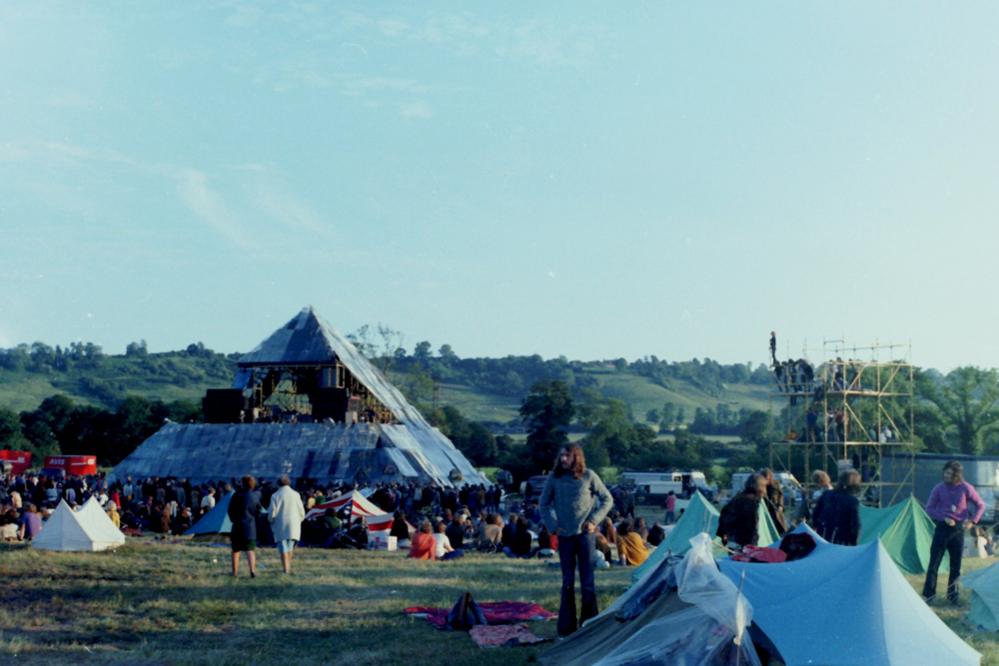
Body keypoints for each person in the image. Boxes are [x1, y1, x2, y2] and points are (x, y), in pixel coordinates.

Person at [539, 444, 614, 637]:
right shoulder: (554, 478)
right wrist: (553, 526)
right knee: (568, 582)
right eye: (561, 455)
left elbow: (607, 499)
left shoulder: (589, 476)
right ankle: (567, 628)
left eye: (567, 455)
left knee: (587, 582)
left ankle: (589, 625)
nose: (563, 459)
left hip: (585, 536)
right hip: (565, 537)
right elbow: (543, 504)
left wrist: (594, 521)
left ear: (576, 457)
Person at [922, 461, 985, 604]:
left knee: (955, 566)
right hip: (942, 529)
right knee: (934, 564)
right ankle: (929, 595)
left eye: (949, 473)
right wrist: (943, 518)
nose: (946, 475)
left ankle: (953, 596)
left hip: (958, 531)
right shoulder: (938, 488)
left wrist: (972, 521)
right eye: (945, 472)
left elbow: (981, 505)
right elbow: (929, 508)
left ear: (957, 475)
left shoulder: (966, 488)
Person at [811, 469, 861, 545]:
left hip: (822, 535)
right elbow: (855, 525)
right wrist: (854, 543)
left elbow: (815, 514)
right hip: (841, 540)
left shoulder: (827, 494)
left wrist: (816, 527)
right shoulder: (852, 501)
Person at [268, 474, 306, 574]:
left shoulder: (275, 495)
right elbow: (302, 511)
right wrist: (299, 520)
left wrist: (270, 520)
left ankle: (286, 570)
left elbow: (272, 513)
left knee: (283, 548)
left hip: (281, 525)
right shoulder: (296, 494)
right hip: (294, 524)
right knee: (290, 547)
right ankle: (288, 567)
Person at [717, 474, 767, 548]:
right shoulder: (750, 501)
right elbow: (751, 527)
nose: (765, 490)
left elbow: (723, 516)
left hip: (731, 540)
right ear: (760, 487)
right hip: (742, 543)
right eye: (764, 486)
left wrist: (723, 535)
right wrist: (752, 547)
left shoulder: (737, 497)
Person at [227, 475, 262, 578]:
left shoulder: (236, 496)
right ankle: (252, 570)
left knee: (235, 550)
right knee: (250, 550)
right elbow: (258, 511)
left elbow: (230, 510)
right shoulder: (255, 496)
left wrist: (233, 520)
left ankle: (235, 572)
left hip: (237, 526)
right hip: (250, 527)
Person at [759, 468, 787, 535]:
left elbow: (781, 495)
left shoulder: (776, 484)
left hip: (777, 510)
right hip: (767, 512)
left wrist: (781, 505)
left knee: (781, 530)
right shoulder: (761, 485)